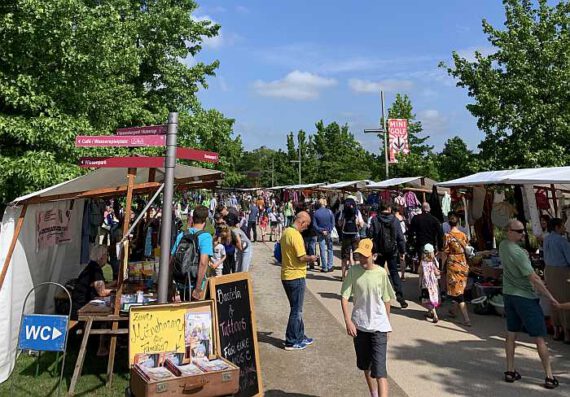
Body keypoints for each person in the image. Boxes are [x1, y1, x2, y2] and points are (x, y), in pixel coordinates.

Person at [499, 219, 559, 389]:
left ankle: (510, 370)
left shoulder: (504, 245)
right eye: (518, 231)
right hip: (525, 297)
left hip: (509, 294)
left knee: (511, 333)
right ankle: (549, 376)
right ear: (509, 231)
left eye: (523, 231)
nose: (522, 234)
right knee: (539, 337)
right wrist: (550, 297)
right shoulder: (518, 253)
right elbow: (533, 277)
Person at [341, 238, 395, 397]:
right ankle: (373, 393)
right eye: (360, 255)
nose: (362, 259)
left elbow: (387, 299)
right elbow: (344, 297)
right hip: (360, 326)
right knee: (366, 366)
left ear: (374, 256)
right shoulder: (353, 271)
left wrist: (387, 324)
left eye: (366, 255)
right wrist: (348, 321)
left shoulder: (381, 273)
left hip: (379, 327)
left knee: (380, 371)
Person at [280, 212, 318, 351]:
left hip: (287, 275)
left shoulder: (286, 232)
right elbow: (301, 257)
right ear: (302, 221)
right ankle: (291, 341)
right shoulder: (295, 235)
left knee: (297, 309)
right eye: (306, 225)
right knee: (296, 310)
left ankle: (299, 335)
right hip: (295, 276)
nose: (306, 228)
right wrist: (312, 258)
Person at [72, 245, 114, 356]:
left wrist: (114, 284)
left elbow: (99, 285)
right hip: (82, 306)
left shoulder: (92, 267)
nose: (107, 257)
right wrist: (116, 290)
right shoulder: (95, 269)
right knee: (106, 315)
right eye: (106, 255)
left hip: (81, 302)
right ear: (101, 256)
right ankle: (101, 348)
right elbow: (101, 292)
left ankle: (102, 345)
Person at [369, 202, 407, 309]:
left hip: (379, 250)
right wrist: (402, 251)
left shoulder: (375, 219)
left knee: (378, 273)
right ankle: (399, 295)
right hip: (392, 250)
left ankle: (379, 296)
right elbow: (400, 237)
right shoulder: (395, 220)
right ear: (389, 208)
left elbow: (370, 234)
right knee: (394, 272)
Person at [171, 205, 213, 301]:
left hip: (181, 282)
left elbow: (172, 259)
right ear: (206, 220)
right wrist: (198, 289)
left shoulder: (182, 234)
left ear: (193, 218)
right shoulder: (206, 237)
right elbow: (203, 262)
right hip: (195, 284)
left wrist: (170, 284)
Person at [543, 218, 570, 342]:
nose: (565, 228)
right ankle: (566, 333)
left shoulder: (546, 239)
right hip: (561, 272)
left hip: (549, 270)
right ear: (557, 227)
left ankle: (555, 331)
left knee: (553, 300)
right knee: (564, 301)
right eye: (563, 226)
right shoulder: (562, 241)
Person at [442, 213, 471, 326]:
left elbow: (445, 252)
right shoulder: (463, 235)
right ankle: (454, 310)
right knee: (459, 288)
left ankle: (466, 318)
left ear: (449, 224)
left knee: (458, 291)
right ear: (458, 223)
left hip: (453, 264)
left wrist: (442, 267)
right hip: (463, 264)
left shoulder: (447, 236)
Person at [339, 197, 364, 280]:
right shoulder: (357, 212)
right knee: (356, 256)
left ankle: (343, 276)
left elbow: (339, 223)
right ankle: (356, 275)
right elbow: (362, 224)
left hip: (345, 235)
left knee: (344, 256)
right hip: (355, 235)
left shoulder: (343, 212)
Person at [418, 243, 441, 323]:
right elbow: (437, 273)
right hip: (433, 284)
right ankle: (429, 312)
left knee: (428, 299)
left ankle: (435, 315)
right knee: (432, 298)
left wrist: (419, 283)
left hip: (426, 284)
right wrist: (439, 272)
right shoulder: (433, 262)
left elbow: (420, 273)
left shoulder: (422, 262)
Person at [313, 198, 335, 273]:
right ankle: (330, 266)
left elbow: (314, 225)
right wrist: (328, 230)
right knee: (330, 249)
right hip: (328, 232)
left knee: (322, 249)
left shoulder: (316, 213)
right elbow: (333, 223)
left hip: (320, 233)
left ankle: (324, 267)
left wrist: (321, 230)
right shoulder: (330, 212)